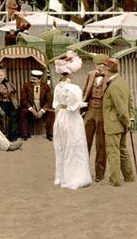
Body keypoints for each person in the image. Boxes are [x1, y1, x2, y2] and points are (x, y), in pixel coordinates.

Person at [52, 50, 92, 190]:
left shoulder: (58, 87)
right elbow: (75, 105)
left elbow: (56, 104)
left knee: (62, 146)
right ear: (71, 73)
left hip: (61, 117)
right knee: (74, 146)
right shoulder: (74, 88)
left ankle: (62, 177)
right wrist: (85, 105)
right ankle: (75, 178)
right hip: (72, 118)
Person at [102, 57, 135, 187]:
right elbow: (130, 101)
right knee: (122, 150)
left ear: (108, 69)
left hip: (113, 124)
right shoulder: (122, 82)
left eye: (104, 67)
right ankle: (129, 176)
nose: (103, 70)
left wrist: (127, 121)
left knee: (113, 152)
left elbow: (121, 108)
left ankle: (114, 180)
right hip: (121, 124)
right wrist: (130, 119)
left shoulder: (114, 86)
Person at [81, 53, 108, 182]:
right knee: (84, 142)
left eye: (102, 65)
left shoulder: (110, 77)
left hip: (103, 111)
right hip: (90, 109)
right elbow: (85, 90)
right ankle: (83, 171)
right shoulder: (91, 74)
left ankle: (99, 174)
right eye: (98, 64)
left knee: (101, 144)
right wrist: (83, 109)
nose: (100, 67)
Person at [20, 70, 54, 141]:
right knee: (23, 112)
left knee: (51, 112)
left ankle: (50, 134)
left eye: (34, 79)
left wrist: (42, 111)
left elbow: (49, 101)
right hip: (31, 108)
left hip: (42, 109)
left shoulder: (46, 87)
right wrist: (32, 109)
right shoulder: (26, 86)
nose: (32, 81)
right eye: (31, 78)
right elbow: (23, 100)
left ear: (39, 80)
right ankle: (25, 135)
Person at [0, 66, 20, 141]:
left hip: (8, 103)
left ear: (4, 76)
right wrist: (0, 109)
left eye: (1, 75)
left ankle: (12, 136)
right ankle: (0, 136)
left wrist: (15, 105)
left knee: (14, 115)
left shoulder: (8, 84)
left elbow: (12, 96)